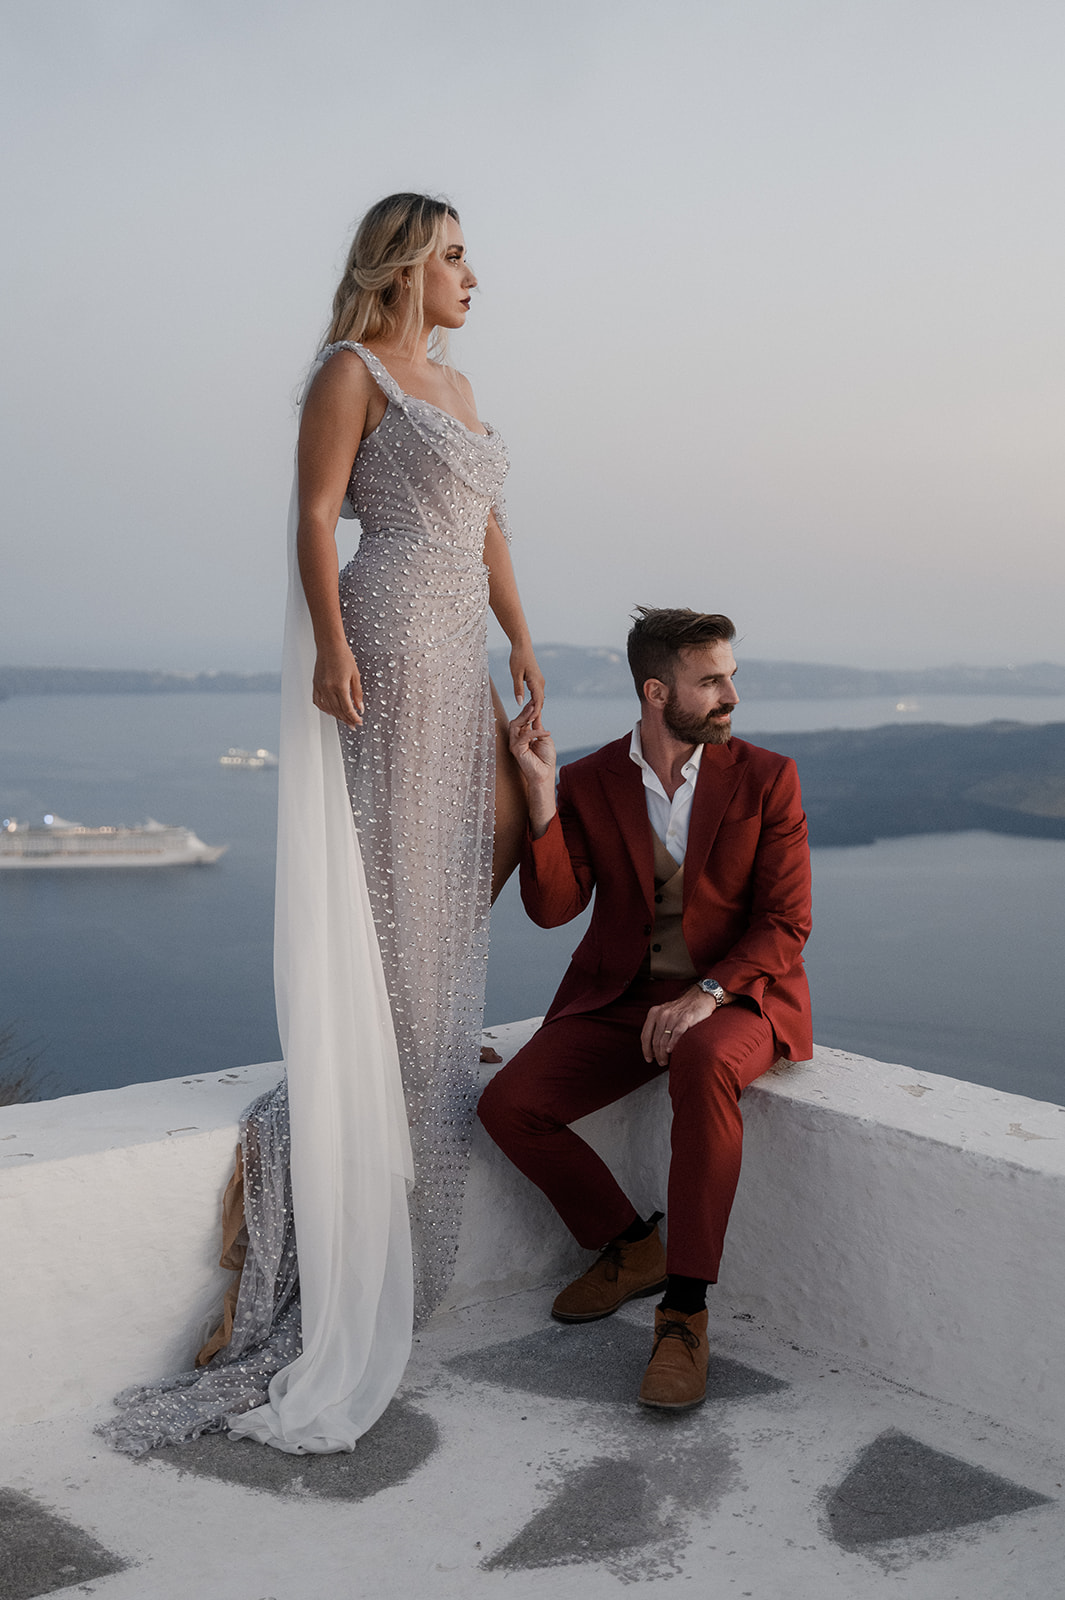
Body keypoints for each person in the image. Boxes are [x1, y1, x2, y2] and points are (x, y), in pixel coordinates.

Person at [104, 194, 542, 1457]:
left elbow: (496, 527)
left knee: (457, 881)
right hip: (391, 644)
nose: (474, 273)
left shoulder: (457, 389)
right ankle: (319, 1148)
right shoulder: (348, 372)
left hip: (461, 652)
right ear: (405, 263)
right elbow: (310, 516)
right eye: (455, 253)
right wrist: (333, 649)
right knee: (395, 900)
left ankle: (398, 1104)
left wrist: (522, 637)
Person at [478, 607, 812, 1410]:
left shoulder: (766, 778)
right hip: (623, 998)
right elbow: (555, 908)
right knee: (509, 1106)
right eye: (712, 680)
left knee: (701, 1062)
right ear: (657, 692)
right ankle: (631, 1247)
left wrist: (705, 996)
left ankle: (685, 1314)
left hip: (737, 997)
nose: (732, 693)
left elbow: (785, 923)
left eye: (730, 675)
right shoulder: (592, 782)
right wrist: (540, 794)